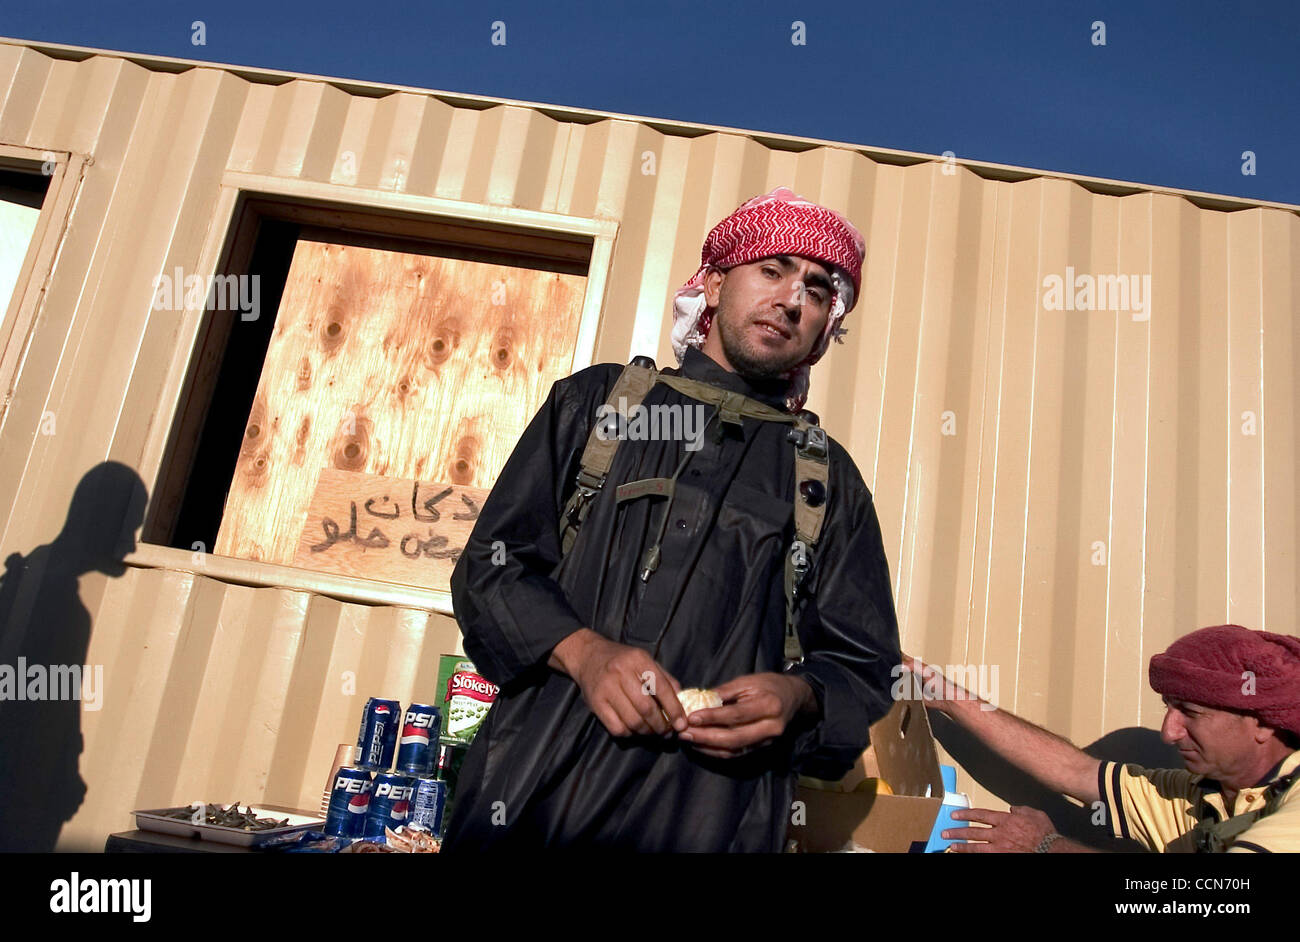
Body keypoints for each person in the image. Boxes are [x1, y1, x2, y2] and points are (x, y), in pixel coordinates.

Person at [442, 187, 902, 851]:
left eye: (818, 290)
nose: (793, 300)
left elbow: (864, 669)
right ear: (714, 284)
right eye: (772, 270)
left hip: (712, 824)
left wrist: (798, 700)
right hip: (525, 807)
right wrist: (586, 654)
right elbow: (491, 568)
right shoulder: (600, 404)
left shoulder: (830, 481)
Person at [907, 624, 1300, 853]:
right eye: (1168, 708)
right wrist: (943, 695)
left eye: (1191, 714)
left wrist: (1046, 846)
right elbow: (1074, 770)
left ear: (1262, 723)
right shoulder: (1200, 795)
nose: (1169, 731)